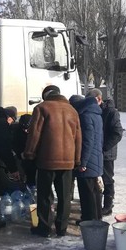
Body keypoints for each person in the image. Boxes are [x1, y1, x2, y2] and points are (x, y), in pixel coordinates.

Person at [23, 85, 82, 238]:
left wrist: (29, 153)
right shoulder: (72, 111)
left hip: (47, 161)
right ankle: (61, 228)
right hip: (68, 162)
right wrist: (77, 159)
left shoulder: (42, 108)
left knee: (44, 196)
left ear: (46, 96)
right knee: (64, 197)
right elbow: (78, 138)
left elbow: (34, 133)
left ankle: (44, 228)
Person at [70, 90, 104, 223]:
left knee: (87, 193)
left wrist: (82, 162)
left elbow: (87, 141)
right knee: (94, 191)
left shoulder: (84, 116)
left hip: (88, 160)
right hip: (96, 158)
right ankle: (96, 218)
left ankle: (89, 220)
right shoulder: (95, 114)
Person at [99, 97, 123, 216]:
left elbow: (117, 133)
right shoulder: (101, 111)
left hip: (107, 153)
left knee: (107, 179)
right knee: (100, 179)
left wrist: (104, 147)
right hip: (101, 152)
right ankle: (100, 204)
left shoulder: (111, 112)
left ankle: (108, 205)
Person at [11, 114, 36, 188]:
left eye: (27, 129)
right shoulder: (17, 131)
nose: (26, 131)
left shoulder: (36, 131)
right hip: (22, 156)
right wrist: (20, 154)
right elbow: (14, 144)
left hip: (34, 157)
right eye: (24, 129)